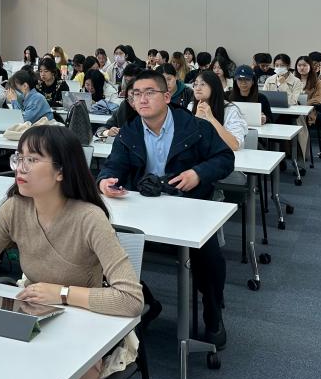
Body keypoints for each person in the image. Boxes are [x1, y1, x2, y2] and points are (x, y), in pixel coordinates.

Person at [0, 126, 143, 379]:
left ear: (60, 171)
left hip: (84, 324)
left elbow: (131, 299)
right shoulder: (15, 208)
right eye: (19, 158)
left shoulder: (90, 218)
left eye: (32, 159)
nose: (21, 168)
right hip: (33, 317)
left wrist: (61, 293)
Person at [97, 71, 233, 346]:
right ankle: (146, 301)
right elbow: (113, 166)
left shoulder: (195, 127)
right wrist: (105, 181)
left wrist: (198, 173)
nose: (142, 99)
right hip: (143, 210)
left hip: (189, 207)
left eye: (149, 93)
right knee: (101, 246)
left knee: (210, 258)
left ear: (167, 96)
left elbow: (225, 159)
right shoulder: (129, 132)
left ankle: (212, 311)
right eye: (136, 94)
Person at [191, 70, 245, 151]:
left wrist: (211, 118)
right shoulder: (191, 106)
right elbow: (184, 142)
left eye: (202, 84)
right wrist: (196, 119)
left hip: (223, 155)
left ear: (214, 87)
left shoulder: (230, 110)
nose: (197, 88)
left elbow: (234, 145)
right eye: (195, 84)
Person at [96, 64, 144, 141]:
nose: (134, 103)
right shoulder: (124, 106)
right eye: (130, 98)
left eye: (137, 95)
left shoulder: (151, 111)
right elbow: (102, 129)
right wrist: (107, 132)